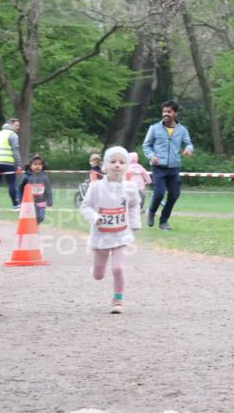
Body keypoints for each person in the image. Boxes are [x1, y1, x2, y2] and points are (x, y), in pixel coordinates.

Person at [79, 146, 141, 314]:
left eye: (121, 162)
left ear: (126, 167)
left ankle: (117, 300)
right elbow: (85, 207)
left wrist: (135, 223)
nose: (117, 165)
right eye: (113, 162)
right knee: (98, 275)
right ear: (105, 166)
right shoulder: (96, 187)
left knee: (118, 268)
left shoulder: (130, 187)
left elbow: (135, 205)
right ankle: (96, 269)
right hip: (101, 236)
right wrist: (95, 217)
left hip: (121, 234)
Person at [142, 100, 193, 230]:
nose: (166, 114)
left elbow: (188, 143)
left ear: (175, 113)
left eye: (169, 111)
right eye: (164, 111)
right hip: (158, 167)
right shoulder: (154, 128)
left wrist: (188, 149)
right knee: (158, 193)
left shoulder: (182, 130)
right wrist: (151, 156)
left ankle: (163, 221)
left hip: (174, 168)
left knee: (174, 194)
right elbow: (146, 145)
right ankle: (151, 211)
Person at [16, 154, 53, 224]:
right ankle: (31, 226)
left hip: (41, 202)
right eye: (35, 164)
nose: (37, 166)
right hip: (29, 202)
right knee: (32, 216)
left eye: (39, 164)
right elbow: (20, 188)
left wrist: (50, 201)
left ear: (42, 166)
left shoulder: (45, 177)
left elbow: (48, 190)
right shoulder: (26, 176)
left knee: (41, 217)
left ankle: (34, 225)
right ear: (30, 166)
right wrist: (19, 199)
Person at [0, 118, 22, 209]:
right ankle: (15, 205)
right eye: (16, 125)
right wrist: (18, 164)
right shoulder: (13, 135)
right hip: (8, 163)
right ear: (10, 124)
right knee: (12, 184)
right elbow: (15, 151)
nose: (18, 128)